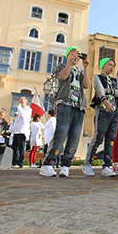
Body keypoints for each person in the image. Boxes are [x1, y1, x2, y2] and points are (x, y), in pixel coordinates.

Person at [41, 47, 89, 177]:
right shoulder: (62, 66)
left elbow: (86, 85)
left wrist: (85, 67)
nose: (76, 56)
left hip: (78, 106)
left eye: (78, 55)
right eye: (74, 53)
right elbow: (63, 76)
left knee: (74, 136)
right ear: (68, 55)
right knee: (61, 134)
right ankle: (48, 163)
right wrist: (70, 62)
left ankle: (66, 164)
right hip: (65, 103)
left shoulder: (79, 71)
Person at [82, 56, 118, 176]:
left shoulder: (115, 81)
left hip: (115, 113)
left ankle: (106, 166)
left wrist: (110, 91)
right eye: (110, 65)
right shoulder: (97, 77)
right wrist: (105, 101)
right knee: (98, 137)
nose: (112, 67)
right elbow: (99, 90)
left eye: (113, 66)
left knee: (111, 139)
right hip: (103, 111)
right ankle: (87, 163)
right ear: (103, 66)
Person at [11, 97, 32, 168]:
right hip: (16, 131)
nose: (20, 103)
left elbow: (22, 115)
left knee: (21, 148)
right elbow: (15, 121)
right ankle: (14, 161)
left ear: (26, 102)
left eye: (22, 101)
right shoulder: (18, 111)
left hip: (22, 131)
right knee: (14, 147)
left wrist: (19, 107)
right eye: (19, 101)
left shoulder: (28, 109)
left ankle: (20, 162)